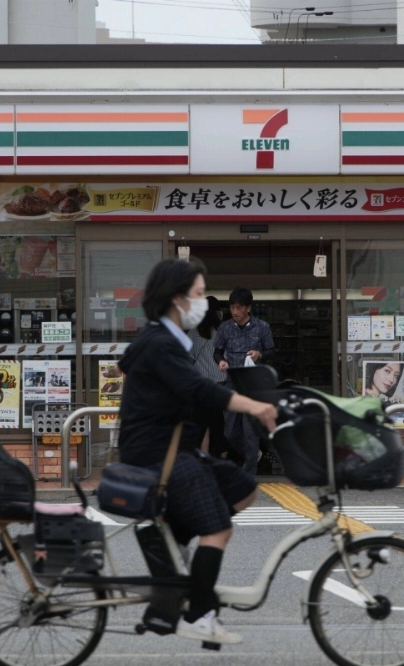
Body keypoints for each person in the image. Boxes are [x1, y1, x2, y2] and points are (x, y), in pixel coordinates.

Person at [117, 260, 277, 645]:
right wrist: (254, 406)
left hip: (174, 447)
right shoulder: (160, 343)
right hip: (157, 454)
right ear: (177, 299)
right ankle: (197, 614)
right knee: (218, 527)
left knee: (242, 487)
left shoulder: (168, 340)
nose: (205, 303)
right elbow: (199, 389)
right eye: (200, 295)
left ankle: (172, 547)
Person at [214, 287, 275, 475]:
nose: (235, 312)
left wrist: (260, 354)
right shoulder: (225, 328)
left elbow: (272, 351)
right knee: (230, 431)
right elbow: (216, 351)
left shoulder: (262, 327)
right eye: (232, 307)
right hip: (232, 382)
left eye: (239, 308)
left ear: (248, 308)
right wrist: (221, 361)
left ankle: (249, 472)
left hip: (253, 384)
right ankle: (254, 455)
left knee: (251, 430)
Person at [188, 296, 233, 462]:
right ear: (217, 312)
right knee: (219, 426)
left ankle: (204, 459)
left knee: (202, 426)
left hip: (200, 388)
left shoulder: (193, 333)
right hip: (222, 386)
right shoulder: (226, 333)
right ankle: (223, 461)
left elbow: (187, 361)